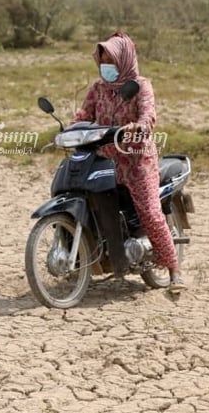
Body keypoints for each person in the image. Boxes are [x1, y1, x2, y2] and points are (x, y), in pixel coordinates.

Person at [74, 31, 186, 292]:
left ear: (123, 61)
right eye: (102, 61)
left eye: (111, 61)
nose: (106, 67)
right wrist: (72, 126)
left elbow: (148, 114)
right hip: (104, 158)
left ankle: (174, 270)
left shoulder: (141, 85)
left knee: (149, 211)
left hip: (136, 161)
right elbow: (84, 113)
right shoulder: (98, 88)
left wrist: (140, 126)